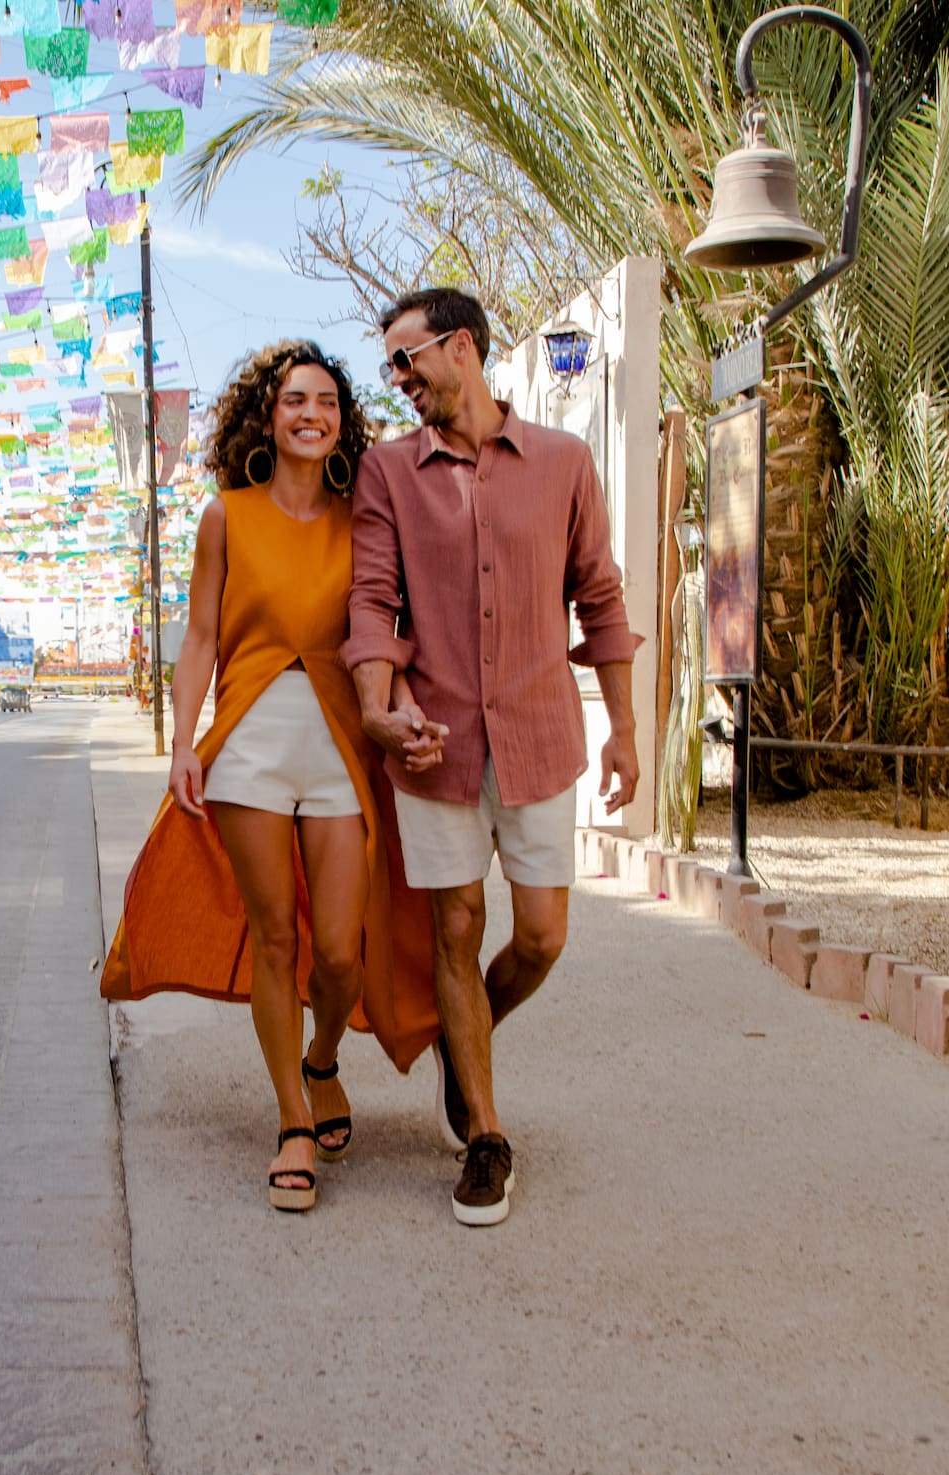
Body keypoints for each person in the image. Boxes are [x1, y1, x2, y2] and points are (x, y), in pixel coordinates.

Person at [103, 340, 440, 1214]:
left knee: (337, 950)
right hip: (248, 744)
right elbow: (203, 641)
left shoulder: (363, 515)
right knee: (276, 941)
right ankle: (292, 1117)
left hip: (339, 745)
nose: (311, 414)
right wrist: (184, 742)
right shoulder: (227, 515)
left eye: (327, 402)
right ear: (268, 412)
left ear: (342, 420)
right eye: (296, 399)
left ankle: (322, 1056)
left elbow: (386, 627)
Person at [344, 287, 642, 1228]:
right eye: (389, 365)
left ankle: (458, 1042)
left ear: (461, 348)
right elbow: (372, 605)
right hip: (433, 746)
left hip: (540, 737)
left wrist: (626, 729)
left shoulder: (564, 462)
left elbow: (600, 597)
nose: (397, 380)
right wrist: (380, 712)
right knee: (457, 931)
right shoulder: (389, 473)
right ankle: (485, 1136)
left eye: (406, 359)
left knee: (543, 937)